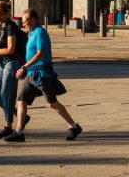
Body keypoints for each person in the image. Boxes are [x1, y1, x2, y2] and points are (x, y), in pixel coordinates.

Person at [6, 9, 82, 143]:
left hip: (42, 74)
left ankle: (74, 126)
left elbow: (40, 54)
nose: (24, 24)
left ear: (34, 20)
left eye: (26, 22)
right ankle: (19, 132)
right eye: (23, 22)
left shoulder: (40, 33)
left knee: (52, 103)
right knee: (21, 100)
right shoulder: (32, 33)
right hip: (31, 74)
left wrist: (24, 67)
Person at [0, 1, 26, 140]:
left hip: (12, 63)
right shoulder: (1, 27)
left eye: (1, 15)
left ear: (8, 13)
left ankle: (8, 126)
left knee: (6, 93)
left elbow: (10, 49)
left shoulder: (11, 27)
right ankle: (17, 114)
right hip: (2, 63)